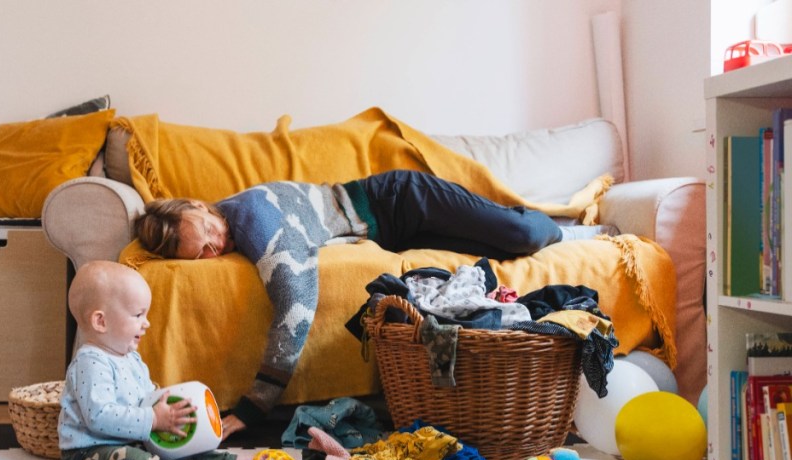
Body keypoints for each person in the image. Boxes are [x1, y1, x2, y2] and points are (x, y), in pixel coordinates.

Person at [133, 169, 612, 439]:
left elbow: (296, 304)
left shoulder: (255, 220)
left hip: (399, 200)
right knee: (503, 245)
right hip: (388, 229)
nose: (217, 247)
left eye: (211, 233)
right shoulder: (228, 224)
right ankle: (562, 227)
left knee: (522, 234)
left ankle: (578, 227)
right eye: (202, 254)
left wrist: (255, 407)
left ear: (199, 206)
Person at [57, 260, 251, 460]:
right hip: (88, 456)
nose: (146, 323)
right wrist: (154, 419)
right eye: (138, 315)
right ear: (101, 322)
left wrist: (170, 413)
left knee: (175, 449)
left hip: (135, 441)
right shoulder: (90, 363)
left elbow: (147, 398)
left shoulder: (131, 358)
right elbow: (99, 417)